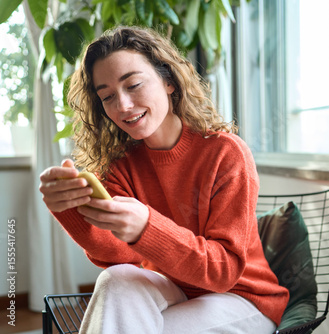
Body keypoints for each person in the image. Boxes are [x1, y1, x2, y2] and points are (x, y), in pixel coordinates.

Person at [39, 26, 289, 333]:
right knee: (116, 281)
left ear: (168, 80)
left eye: (133, 85)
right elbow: (120, 256)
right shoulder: (122, 165)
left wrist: (147, 226)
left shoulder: (225, 153)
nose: (123, 106)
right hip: (174, 289)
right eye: (107, 97)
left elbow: (223, 271)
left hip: (242, 297)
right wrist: (69, 208)